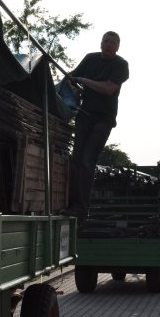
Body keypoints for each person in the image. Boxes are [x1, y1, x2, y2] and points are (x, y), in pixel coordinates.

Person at [59, 31, 129, 220]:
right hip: (84, 115)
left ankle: (82, 208)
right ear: (100, 43)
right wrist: (75, 89)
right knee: (76, 159)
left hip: (104, 118)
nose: (109, 44)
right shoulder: (90, 58)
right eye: (106, 41)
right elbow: (71, 78)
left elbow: (109, 89)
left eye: (113, 42)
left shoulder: (121, 65)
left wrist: (84, 82)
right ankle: (72, 204)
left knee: (87, 160)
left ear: (117, 47)